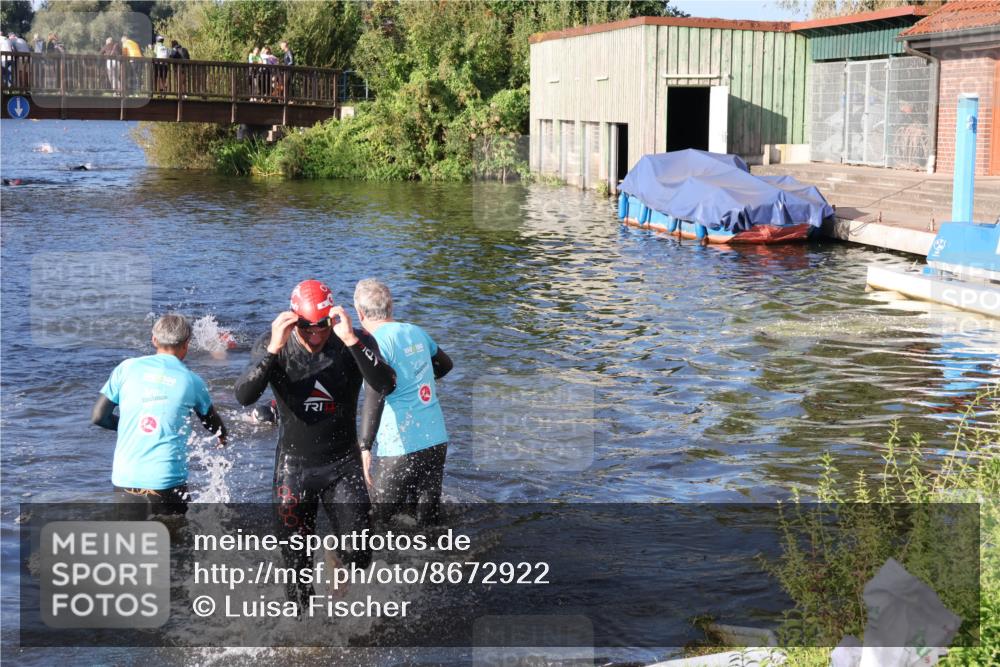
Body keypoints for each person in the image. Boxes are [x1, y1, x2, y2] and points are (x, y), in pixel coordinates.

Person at [234, 279, 396, 608]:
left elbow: (386, 383)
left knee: (360, 555)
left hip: (342, 465)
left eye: (322, 326)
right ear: (294, 320)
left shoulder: (351, 340)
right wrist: (272, 351)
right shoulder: (273, 342)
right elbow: (244, 395)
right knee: (297, 571)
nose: (316, 335)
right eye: (307, 328)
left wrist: (351, 339)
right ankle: (305, 641)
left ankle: (335, 553)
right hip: (295, 467)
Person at [91, 314, 227, 517]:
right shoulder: (192, 381)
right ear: (187, 344)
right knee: (178, 544)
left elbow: (99, 416)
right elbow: (212, 423)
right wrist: (222, 435)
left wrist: (130, 426)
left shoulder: (126, 369)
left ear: (154, 340)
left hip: (125, 478)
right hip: (167, 481)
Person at [355, 279, 453, 527]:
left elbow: (375, 394)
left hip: (401, 446)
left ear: (359, 312)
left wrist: (365, 446)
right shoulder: (415, 331)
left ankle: (381, 565)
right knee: (427, 521)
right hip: (436, 439)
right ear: (391, 307)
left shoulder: (373, 342)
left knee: (377, 521)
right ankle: (442, 561)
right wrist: (421, 380)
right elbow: (445, 364)